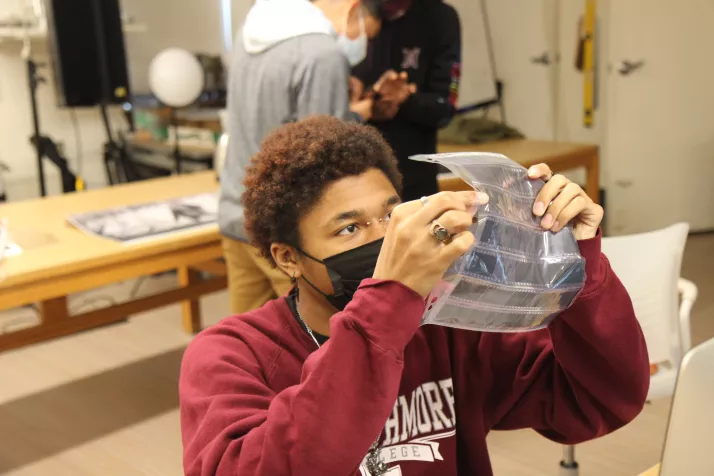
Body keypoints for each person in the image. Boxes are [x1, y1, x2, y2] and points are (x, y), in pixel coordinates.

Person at [181, 116, 650, 476]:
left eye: (391, 216)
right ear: (288, 258)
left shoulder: (446, 327)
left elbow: (601, 400)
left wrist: (576, 269)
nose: (387, 238)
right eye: (349, 228)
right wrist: (390, 299)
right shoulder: (230, 355)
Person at [219, 0, 396, 314]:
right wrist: (356, 114)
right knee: (312, 346)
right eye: (365, 35)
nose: (362, 48)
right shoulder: (322, 54)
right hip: (289, 239)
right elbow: (324, 156)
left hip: (237, 213)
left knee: (253, 346)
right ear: (353, 9)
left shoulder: (253, 32)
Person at [353, 0, 461, 201]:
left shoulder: (439, 18)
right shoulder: (354, 13)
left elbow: (444, 108)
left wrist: (405, 98)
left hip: (414, 180)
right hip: (356, 173)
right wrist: (367, 100)